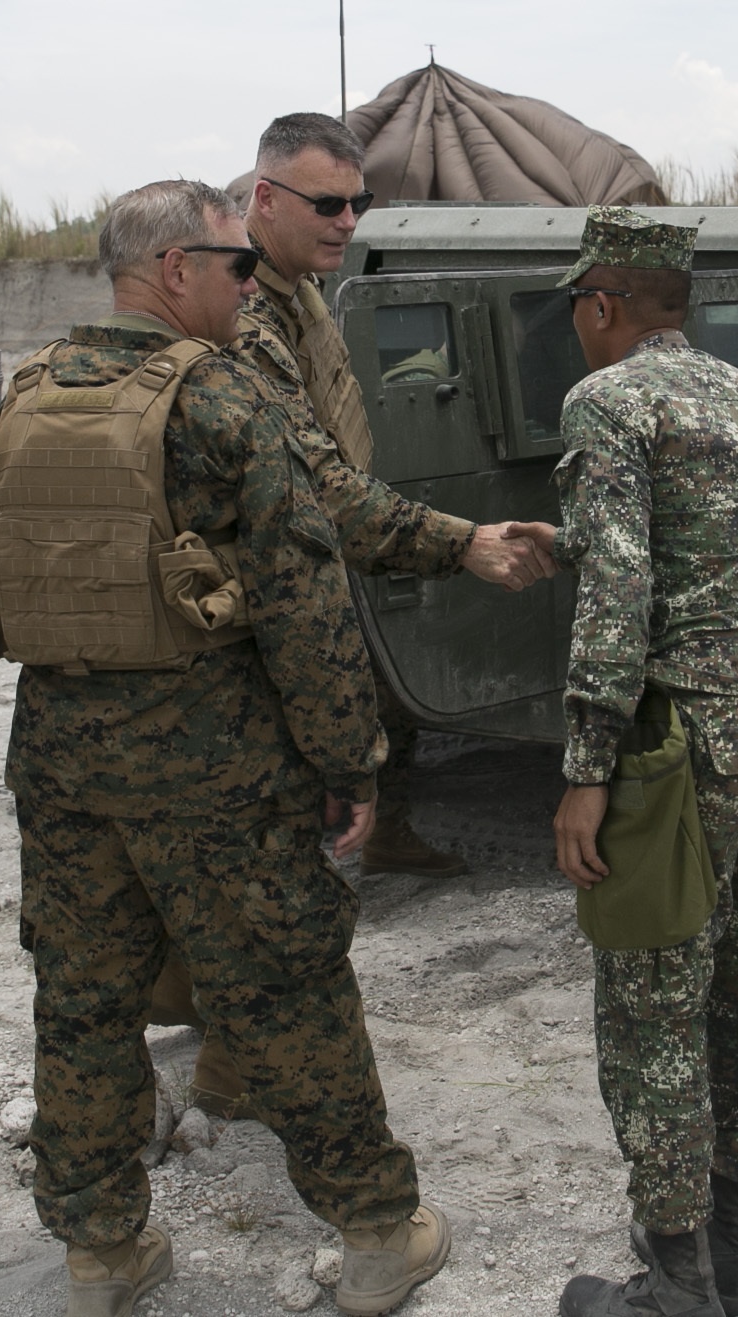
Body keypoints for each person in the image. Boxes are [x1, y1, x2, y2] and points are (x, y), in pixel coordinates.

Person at [0, 179, 452, 1317]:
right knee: (286, 994)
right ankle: (376, 1236)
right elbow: (305, 599)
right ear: (174, 270)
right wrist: (345, 765)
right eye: (231, 266)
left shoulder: (23, 397)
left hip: (64, 769)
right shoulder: (222, 403)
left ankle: (101, 1253)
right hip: (217, 777)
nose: (242, 284)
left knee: (81, 1002)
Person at [528, 206, 738, 1317]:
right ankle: (737, 1253)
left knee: (649, 997)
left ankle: (671, 1281)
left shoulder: (607, 399)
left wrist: (584, 768)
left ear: (602, 305)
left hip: (681, 752)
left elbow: (619, 595)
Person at [239, 110, 557, 880]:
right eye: (326, 205)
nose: (346, 222)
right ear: (264, 198)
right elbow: (309, 480)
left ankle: (387, 829)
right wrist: (463, 542)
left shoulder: (300, 292)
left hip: (330, 540)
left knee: (376, 691)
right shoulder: (246, 316)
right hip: (276, 558)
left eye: (358, 205)